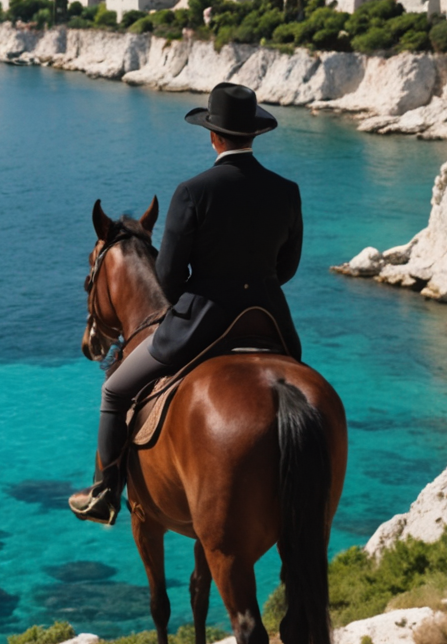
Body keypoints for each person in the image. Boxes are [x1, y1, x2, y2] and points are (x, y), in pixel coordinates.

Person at [70, 81, 304, 526]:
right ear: (253, 134)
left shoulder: (192, 192)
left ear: (213, 136)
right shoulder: (286, 190)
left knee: (114, 390)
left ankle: (104, 493)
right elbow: (286, 268)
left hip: (204, 325)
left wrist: (196, 299)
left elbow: (169, 278)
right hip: (273, 324)